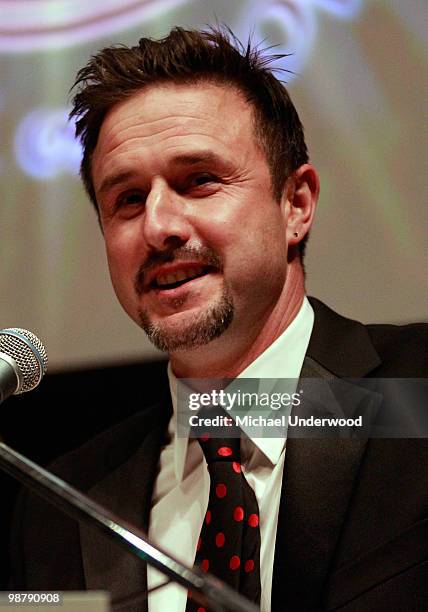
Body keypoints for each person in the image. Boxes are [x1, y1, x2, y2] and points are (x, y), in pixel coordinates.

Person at [10, 26, 427, 612]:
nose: (158, 226)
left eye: (199, 180)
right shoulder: (60, 501)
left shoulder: (415, 396)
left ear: (295, 205)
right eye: (127, 199)